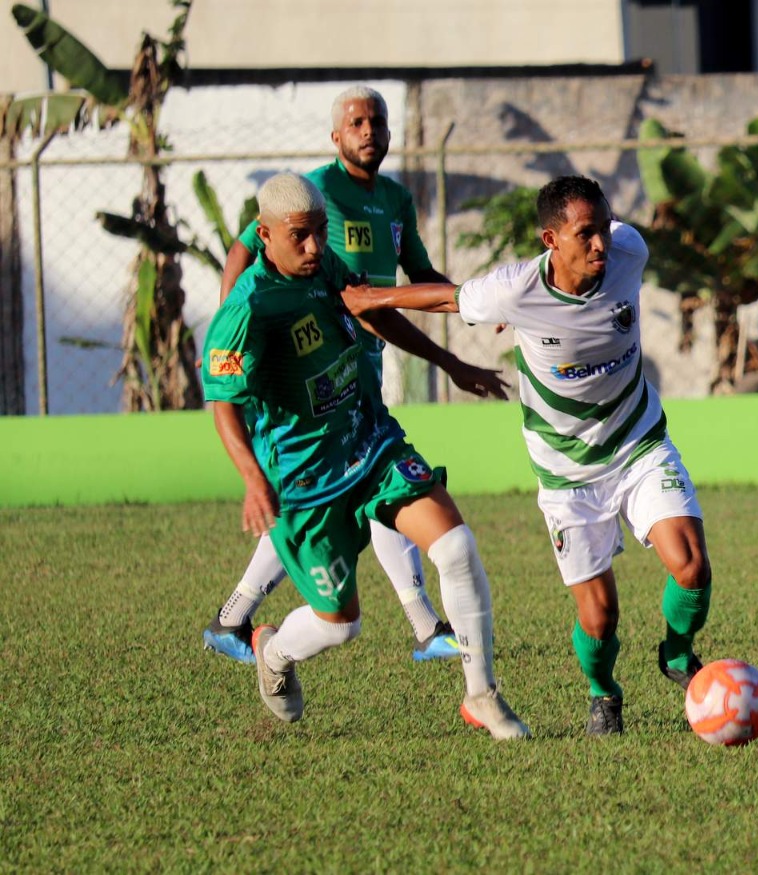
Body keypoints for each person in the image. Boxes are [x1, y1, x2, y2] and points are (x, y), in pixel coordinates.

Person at [340, 176, 713, 736]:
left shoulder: (629, 252)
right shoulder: (514, 290)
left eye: (603, 229)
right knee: (600, 615)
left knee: (691, 565)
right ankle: (603, 693)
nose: (600, 245)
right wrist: (372, 297)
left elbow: (617, 242)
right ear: (550, 240)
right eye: (584, 233)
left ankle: (678, 654)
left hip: (639, 443)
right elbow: (447, 296)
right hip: (566, 473)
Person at [201, 171, 528, 737]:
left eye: (320, 233)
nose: (313, 247)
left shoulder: (324, 264)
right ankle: (275, 653)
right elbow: (222, 402)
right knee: (340, 625)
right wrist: (254, 480)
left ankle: (482, 695)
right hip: (307, 482)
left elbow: (372, 310)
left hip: (370, 441)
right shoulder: (247, 308)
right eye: (300, 236)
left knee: (454, 546)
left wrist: (451, 364)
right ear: (265, 234)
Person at [202, 86, 496, 666]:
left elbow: (392, 292)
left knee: (376, 484)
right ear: (336, 136)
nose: (369, 131)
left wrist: (470, 316)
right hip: (301, 402)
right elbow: (242, 257)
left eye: (378, 121)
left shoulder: (391, 201)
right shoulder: (307, 195)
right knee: (315, 512)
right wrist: (234, 321)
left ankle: (424, 625)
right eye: (356, 122)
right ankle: (244, 622)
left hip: (357, 374)